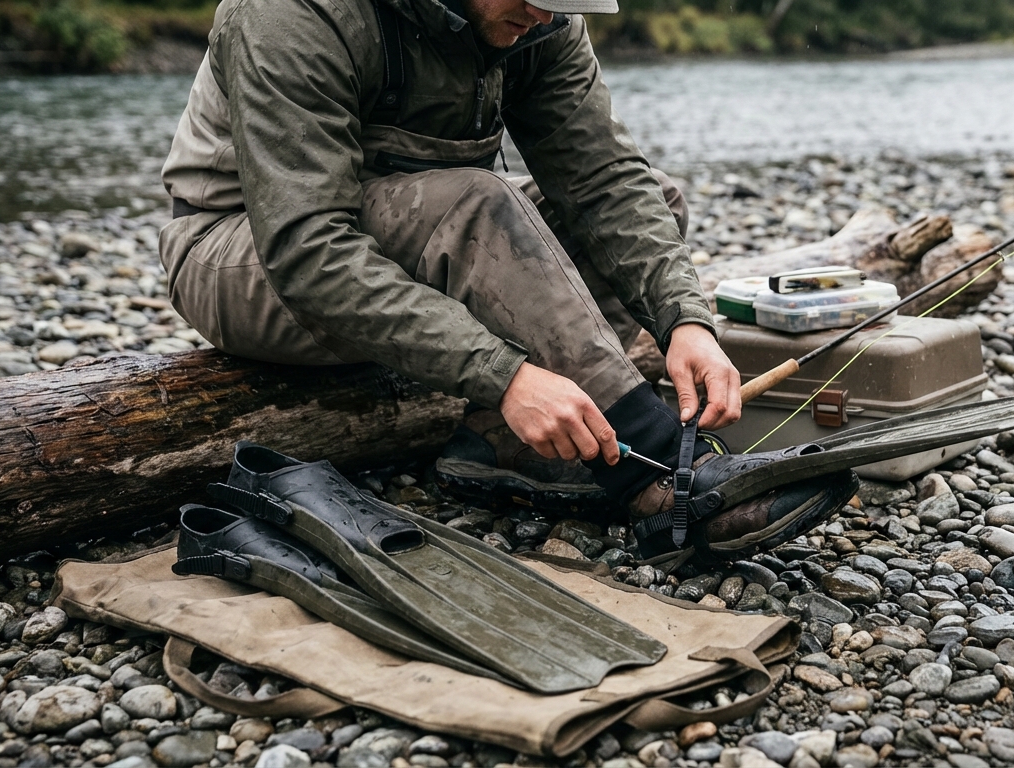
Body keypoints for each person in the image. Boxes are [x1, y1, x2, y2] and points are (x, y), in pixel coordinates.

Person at [158, 0, 855, 557]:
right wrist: (505, 373)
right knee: (477, 203)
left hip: (416, 236)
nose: (547, 18)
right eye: (534, 0)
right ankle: (650, 475)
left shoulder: (539, 20)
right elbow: (308, 246)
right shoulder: (292, 12)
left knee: (651, 200)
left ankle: (512, 444)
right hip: (243, 258)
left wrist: (685, 318)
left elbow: (604, 180)